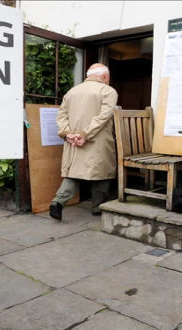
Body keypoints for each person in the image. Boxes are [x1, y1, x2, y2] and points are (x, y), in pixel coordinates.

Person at [49, 63, 119, 220]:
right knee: (102, 173)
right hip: (97, 140)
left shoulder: (71, 92)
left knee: (74, 173)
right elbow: (104, 116)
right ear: (105, 76)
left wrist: (68, 135)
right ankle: (98, 208)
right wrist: (85, 134)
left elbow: (61, 117)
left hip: (73, 141)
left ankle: (58, 202)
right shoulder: (108, 91)